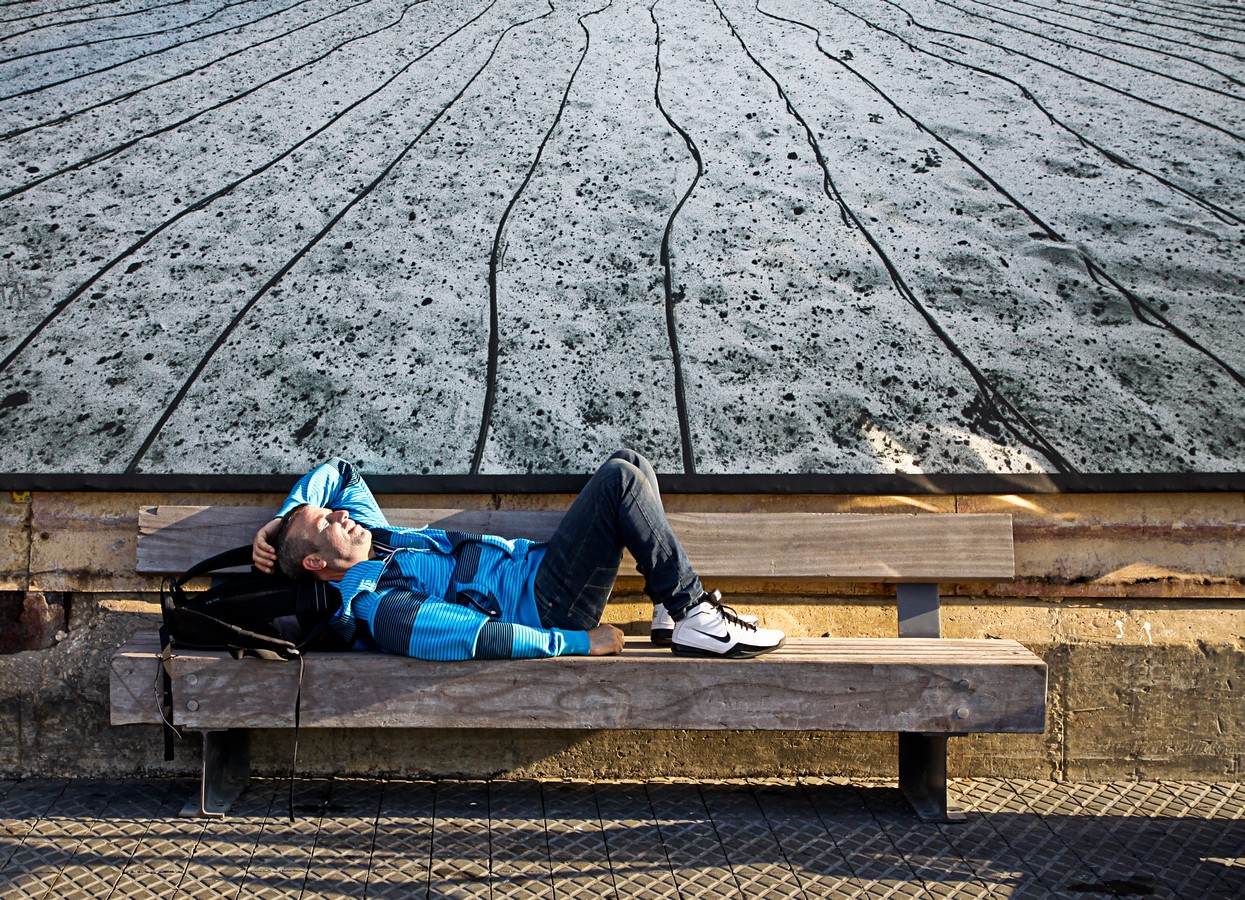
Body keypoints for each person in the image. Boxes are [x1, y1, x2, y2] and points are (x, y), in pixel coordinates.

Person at [251, 449, 785, 661]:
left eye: (332, 511)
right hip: (547, 607)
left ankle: (670, 614)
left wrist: (284, 518)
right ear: (319, 563)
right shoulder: (376, 604)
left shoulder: (376, 537)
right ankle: (693, 613)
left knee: (629, 462)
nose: (339, 513)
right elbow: (477, 637)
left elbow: (341, 473)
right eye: (326, 522)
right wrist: (580, 642)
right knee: (621, 483)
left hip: (540, 571)